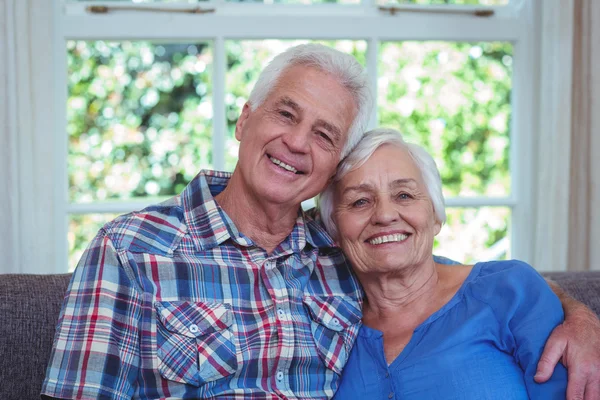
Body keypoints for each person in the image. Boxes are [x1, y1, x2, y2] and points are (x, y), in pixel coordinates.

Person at [42, 44, 600, 400]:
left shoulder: (339, 251)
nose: (297, 143)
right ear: (244, 119)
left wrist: (579, 315)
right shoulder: (133, 249)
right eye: (286, 113)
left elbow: (448, 283)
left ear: (333, 163)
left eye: (325, 134)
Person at [319, 128, 567, 399]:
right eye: (360, 201)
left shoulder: (510, 291)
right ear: (334, 232)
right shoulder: (327, 329)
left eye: (404, 195)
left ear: (435, 215)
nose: (385, 215)